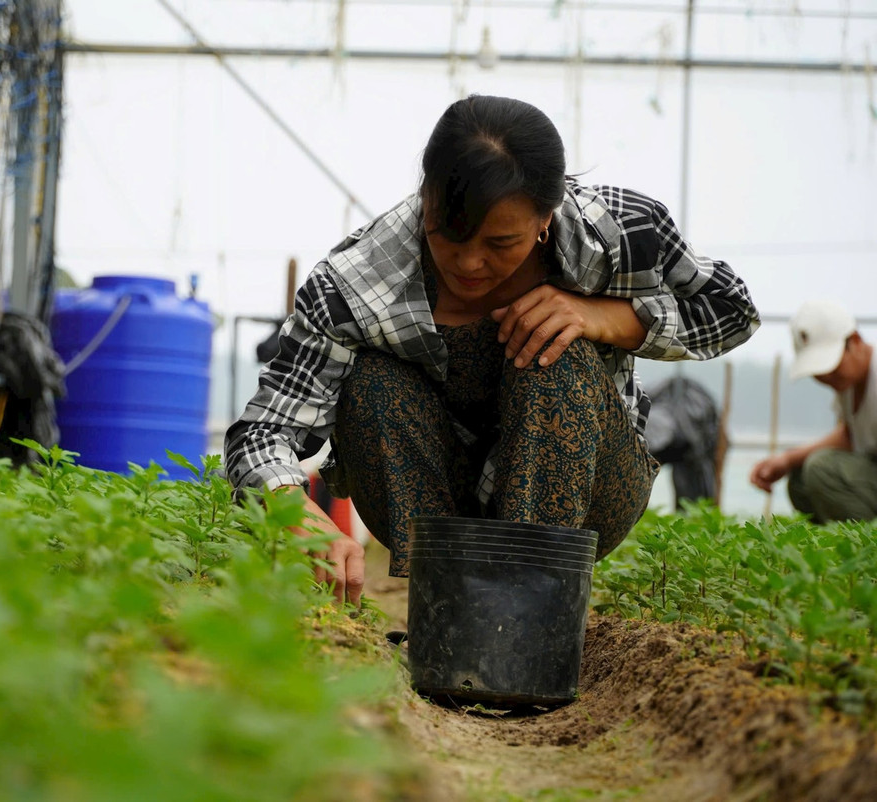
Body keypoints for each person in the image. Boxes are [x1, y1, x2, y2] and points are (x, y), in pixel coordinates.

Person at [225, 94, 761, 604]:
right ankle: (449, 613)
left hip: (590, 490)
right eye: (445, 237)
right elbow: (263, 432)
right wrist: (288, 503)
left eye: (500, 243)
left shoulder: (622, 231)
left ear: (547, 216)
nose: (469, 264)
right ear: (426, 200)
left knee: (556, 350)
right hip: (435, 505)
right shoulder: (355, 283)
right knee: (371, 381)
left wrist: (603, 317)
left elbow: (732, 309)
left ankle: (531, 615)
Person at [750, 300, 877, 522]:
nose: (827, 378)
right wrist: (787, 460)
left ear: (855, 341)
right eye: (819, 371)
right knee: (800, 479)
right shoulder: (847, 384)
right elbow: (849, 435)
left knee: (821, 470)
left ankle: (867, 545)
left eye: (831, 367)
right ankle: (843, 544)